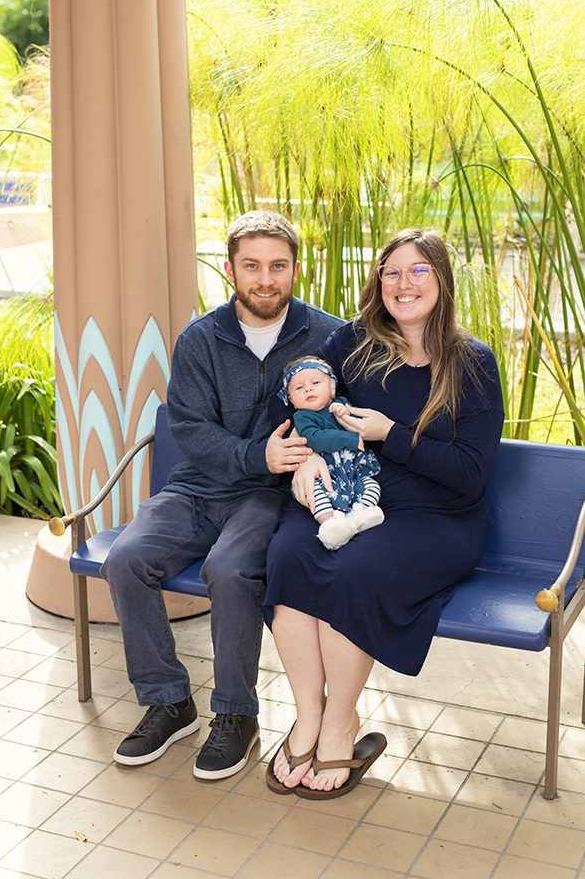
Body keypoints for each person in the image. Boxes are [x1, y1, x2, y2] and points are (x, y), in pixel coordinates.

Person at [264, 228, 505, 799]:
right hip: (354, 496)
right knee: (288, 552)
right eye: (392, 271)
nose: (404, 283)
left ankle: (341, 723)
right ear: (379, 282)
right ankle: (308, 715)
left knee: (356, 572)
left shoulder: (471, 363)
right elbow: (298, 398)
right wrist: (301, 460)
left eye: (419, 270)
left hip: (439, 517)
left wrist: (389, 434)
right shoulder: (354, 342)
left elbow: (471, 473)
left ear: (442, 281)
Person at [101, 211, 342, 780]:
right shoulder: (200, 339)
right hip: (199, 486)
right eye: (252, 266)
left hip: (271, 498)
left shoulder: (331, 336)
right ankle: (168, 701)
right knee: (126, 559)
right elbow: (189, 427)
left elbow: (339, 419)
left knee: (231, 571)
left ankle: (236, 714)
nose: (265, 279)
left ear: (295, 269)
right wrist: (253, 454)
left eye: (277, 266)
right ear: (231, 269)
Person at [278, 356, 384, 548]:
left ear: (332, 388)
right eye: (299, 388)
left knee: (371, 484)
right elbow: (314, 439)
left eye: (316, 383)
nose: (308, 389)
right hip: (324, 472)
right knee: (315, 494)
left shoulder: (342, 404)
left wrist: (344, 412)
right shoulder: (303, 417)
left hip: (352, 470)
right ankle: (331, 524)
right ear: (291, 400)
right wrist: (348, 439)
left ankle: (361, 514)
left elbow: (357, 422)